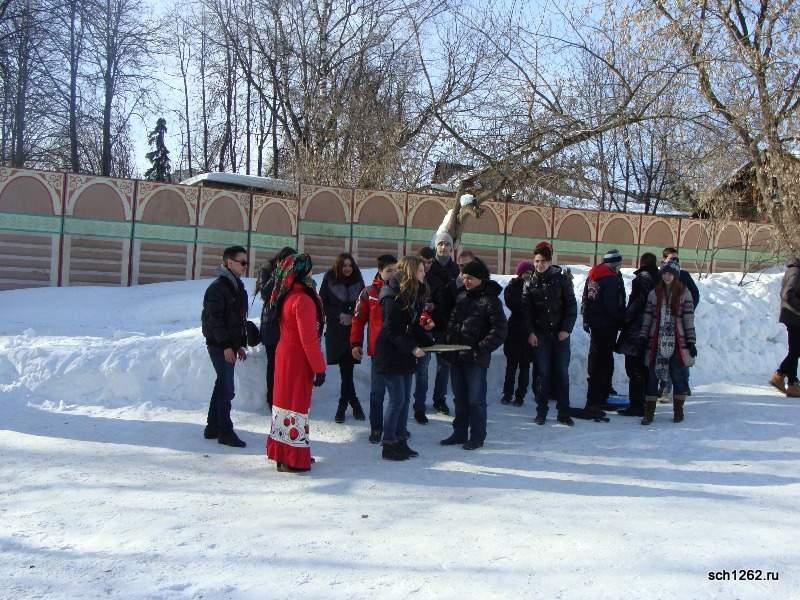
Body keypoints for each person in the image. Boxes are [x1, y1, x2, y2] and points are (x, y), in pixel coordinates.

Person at [266, 253, 327, 472]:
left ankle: (282, 454)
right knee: (296, 406)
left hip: (285, 355)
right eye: (309, 269)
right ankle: (293, 458)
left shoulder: (287, 295)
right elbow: (308, 339)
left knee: (283, 405)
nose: (312, 272)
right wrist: (319, 367)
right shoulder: (303, 300)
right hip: (298, 360)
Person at [441, 258, 508, 449]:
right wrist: (449, 342)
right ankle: (459, 432)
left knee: (475, 399)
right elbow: (453, 322)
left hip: (476, 358)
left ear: (480, 278)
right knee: (459, 398)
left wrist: (481, 348)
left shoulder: (491, 301)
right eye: (464, 277)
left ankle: (477, 436)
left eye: (470, 278)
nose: (466, 281)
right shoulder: (461, 296)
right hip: (457, 355)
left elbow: (500, 330)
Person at [374, 256, 436, 460]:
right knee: (397, 399)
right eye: (420, 270)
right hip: (390, 353)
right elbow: (392, 330)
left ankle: (401, 441)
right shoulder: (391, 295)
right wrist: (412, 348)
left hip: (404, 354)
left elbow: (413, 325)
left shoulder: (413, 293)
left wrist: (429, 343)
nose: (424, 273)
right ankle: (389, 444)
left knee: (405, 399)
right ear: (410, 272)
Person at [201, 245, 250, 448]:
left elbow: (237, 320)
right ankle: (225, 432)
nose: (245, 266)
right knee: (227, 388)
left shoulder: (235, 286)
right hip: (219, 345)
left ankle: (213, 427)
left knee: (222, 384)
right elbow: (215, 321)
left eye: (246, 262)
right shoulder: (218, 288)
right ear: (229, 263)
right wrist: (226, 346)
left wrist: (239, 345)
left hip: (228, 345)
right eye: (242, 262)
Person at [523, 245, 577, 426]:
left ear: (550, 262)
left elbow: (571, 306)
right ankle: (541, 412)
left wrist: (566, 329)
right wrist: (531, 332)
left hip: (560, 335)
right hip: (541, 335)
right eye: (537, 261)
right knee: (543, 373)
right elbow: (526, 311)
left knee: (562, 373)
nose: (539, 265)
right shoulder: (529, 282)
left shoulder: (561, 280)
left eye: (543, 261)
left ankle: (564, 412)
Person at [638, 258, 697, 425]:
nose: (667, 276)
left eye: (671, 274)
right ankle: (649, 413)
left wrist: (691, 341)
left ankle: (678, 411)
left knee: (677, 376)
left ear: (676, 275)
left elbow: (688, 318)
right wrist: (643, 336)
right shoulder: (654, 293)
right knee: (652, 376)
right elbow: (648, 317)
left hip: (677, 342)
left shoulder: (684, 293)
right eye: (665, 273)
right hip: (656, 341)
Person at [350, 254, 398, 443]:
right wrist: (355, 343)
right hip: (379, 352)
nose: (393, 274)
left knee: (399, 396)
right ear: (380, 271)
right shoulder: (369, 292)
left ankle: (396, 428)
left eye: (396, 270)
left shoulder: (403, 290)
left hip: (400, 351)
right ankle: (376, 428)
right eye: (389, 271)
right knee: (377, 393)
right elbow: (358, 319)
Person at [319, 253, 366, 423]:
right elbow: (322, 304)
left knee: (348, 369)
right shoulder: (329, 280)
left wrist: (353, 317)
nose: (347, 268)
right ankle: (353, 404)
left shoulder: (358, 281)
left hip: (353, 331)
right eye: (344, 265)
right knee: (346, 370)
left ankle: (343, 406)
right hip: (336, 331)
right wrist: (339, 315)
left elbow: (363, 305)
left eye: (350, 265)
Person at [615, 253, 659, 417]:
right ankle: (646, 403)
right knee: (644, 368)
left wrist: (625, 319)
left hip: (637, 329)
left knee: (634, 368)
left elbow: (638, 301)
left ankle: (637, 405)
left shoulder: (643, 278)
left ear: (642, 263)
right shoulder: (660, 279)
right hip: (651, 329)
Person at [582, 249, 626, 412]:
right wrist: (621, 320)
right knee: (603, 362)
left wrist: (587, 319)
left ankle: (597, 396)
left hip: (596, 325)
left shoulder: (594, 275)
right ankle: (598, 398)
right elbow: (611, 305)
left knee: (597, 359)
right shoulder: (610, 279)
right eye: (619, 263)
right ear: (615, 263)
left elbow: (586, 299)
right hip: (607, 326)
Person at [257, 246, 297, 409]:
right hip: (271, 323)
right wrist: (278, 273)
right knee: (274, 363)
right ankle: (272, 399)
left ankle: (286, 397)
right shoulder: (267, 270)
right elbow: (265, 293)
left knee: (290, 364)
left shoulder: (295, 273)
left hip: (289, 324)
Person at [425, 232, 460, 416]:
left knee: (444, 364)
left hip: (447, 323)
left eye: (447, 244)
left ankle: (439, 399)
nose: (444, 247)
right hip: (428, 322)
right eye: (441, 244)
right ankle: (419, 402)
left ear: (451, 248)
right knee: (422, 365)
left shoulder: (456, 270)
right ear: (436, 246)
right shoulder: (429, 267)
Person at [657, 248, 699, 402]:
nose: (675, 262)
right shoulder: (661, 275)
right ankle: (665, 389)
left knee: (682, 356)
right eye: (671, 259)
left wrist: (687, 310)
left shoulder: (684, 275)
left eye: (677, 259)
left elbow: (695, 294)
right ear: (664, 260)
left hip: (680, 325)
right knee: (665, 357)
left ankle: (684, 385)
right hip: (663, 326)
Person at [502, 260, 534, 406]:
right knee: (511, 365)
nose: (528, 275)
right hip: (514, 330)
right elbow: (514, 305)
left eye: (530, 273)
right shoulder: (512, 287)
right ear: (520, 273)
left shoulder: (535, 287)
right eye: (525, 272)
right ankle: (507, 394)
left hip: (529, 331)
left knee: (525, 366)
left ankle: (520, 395)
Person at [769, 258, 800, 397]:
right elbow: (787, 294)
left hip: (793, 316)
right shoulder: (796, 272)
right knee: (796, 351)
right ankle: (781, 375)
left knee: (795, 350)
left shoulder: (795, 270)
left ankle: (792, 383)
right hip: (794, 317)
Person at [412, 246, 436, 424]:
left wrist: (431, 310)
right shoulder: (407, 281)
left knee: (422, 373)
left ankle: (419, 407)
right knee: (405, 373)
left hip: (425, 333)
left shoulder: (431, 280)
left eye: (429, 263)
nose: (426, 266)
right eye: (423, 263)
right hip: (408, 333)